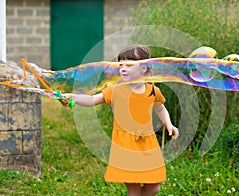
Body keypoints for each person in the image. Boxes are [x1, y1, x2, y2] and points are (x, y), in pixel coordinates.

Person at [60, 45, 179, 196]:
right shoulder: (116, 90)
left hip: (148, 143)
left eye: (129, 65)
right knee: (134, 190)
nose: (123, 69)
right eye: (120, 65)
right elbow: (92, 100)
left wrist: (168, 124)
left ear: (144, 68)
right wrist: (72, 97)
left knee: (154, 187)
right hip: (126, 144)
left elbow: (160, 108)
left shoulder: (153, 91)